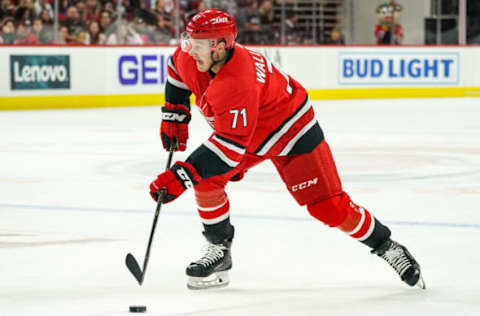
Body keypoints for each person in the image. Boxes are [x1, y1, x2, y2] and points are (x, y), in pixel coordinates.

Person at [149, 8, 425, 290]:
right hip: (245, 132)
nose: (189, 51)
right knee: (207, 178)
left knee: (328, 207)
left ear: (219, 47)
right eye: (188, 42)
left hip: (291, 132)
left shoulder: (237, 82)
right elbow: (176, 72)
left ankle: (387, 246)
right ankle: (219, 251)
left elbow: (229, 149)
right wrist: (174, 112)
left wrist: (180, 176)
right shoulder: (192, 57)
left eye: (197, 46)